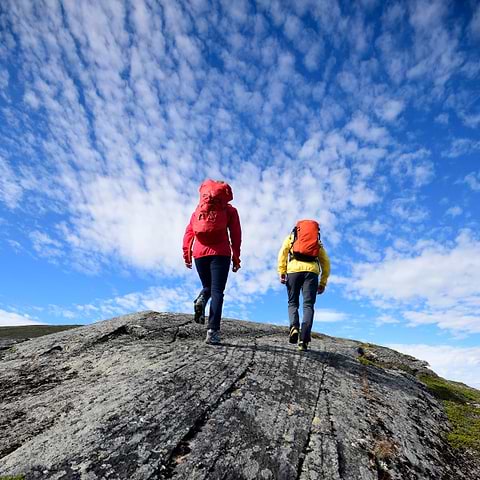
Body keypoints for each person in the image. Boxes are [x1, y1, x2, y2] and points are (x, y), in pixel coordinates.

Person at [182, 180, 242, 345]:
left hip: (199, 254)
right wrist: (236, 257)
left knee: (207, 287)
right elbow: (236, 235)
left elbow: (189, 232)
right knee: (217, 292)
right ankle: (212, 331)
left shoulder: (198, 210)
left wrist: (187, 253)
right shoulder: (230, 211)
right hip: (221, 254)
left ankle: (201, 298)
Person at [277, 219, 330, 351]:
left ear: (298, 229)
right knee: (308, 305)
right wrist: (323, 282)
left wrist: (282, 271)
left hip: (293, 271)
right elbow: (326, 263)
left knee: (293, 303)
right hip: (311, 273)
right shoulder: (316, 242)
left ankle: (294, 327)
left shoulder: (291, 238)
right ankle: (304, 340)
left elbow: (282, 253)